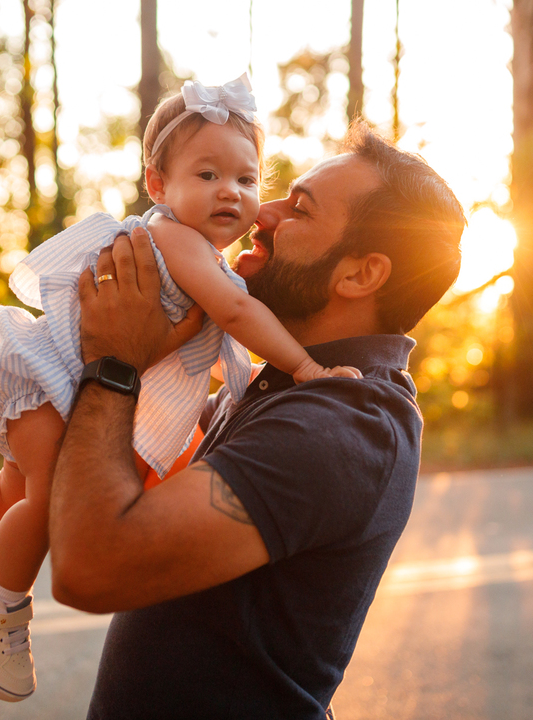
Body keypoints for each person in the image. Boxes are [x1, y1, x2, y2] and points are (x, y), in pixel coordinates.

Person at [0, 74, 359, 702]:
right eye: (207, 175)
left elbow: (192, 349)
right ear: (159, 185)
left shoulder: (194, 253)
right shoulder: (177, 240)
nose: (231, 194)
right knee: (51, 501)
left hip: (54, 382)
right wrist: (305, 369)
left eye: (246, 180)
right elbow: (237, 317)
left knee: (15, 485)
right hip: (53, 379)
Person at [44, 122, 466, 719]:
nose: (258, 211)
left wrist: (113, 366)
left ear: (359, 275)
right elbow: (121, 480)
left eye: (299, 208)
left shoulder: (344, 425)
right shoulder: (277, 385)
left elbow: (90, 567)